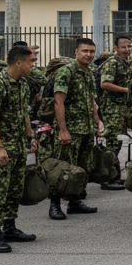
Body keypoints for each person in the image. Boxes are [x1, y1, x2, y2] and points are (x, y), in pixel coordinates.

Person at [0, 45, 40, 253]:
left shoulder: (21, 84)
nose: (33, 65)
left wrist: (29, 136)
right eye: (31, 61)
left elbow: (25, 112)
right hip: (1, 147)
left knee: (15, 189)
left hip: (18, 146)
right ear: (19, 62)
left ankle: (10, 228)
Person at [46, 37, 102, 220]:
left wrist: (97, 121)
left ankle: (75, 201)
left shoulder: (89, 73)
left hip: (85, 129)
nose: (88, 55)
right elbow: (58, 102)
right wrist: (63, 130)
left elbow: (92, 99)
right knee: (62, 168)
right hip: (70, 130)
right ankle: (54, 205)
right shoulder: (66, 72)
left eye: (91, 51)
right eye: (85, 51)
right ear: (76, 52)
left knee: (82, 168)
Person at [96, 36, 132, 191]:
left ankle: (115, 175)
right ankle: (108, 178)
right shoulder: (113, 63)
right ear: (116, 48)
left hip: (122, 108)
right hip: (112, 109)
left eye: (130, 46)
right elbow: (105, 84)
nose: (127, 50)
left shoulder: (127, 64)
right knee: (112, 143)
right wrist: (126, 90)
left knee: (116, 143)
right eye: (124, 47)